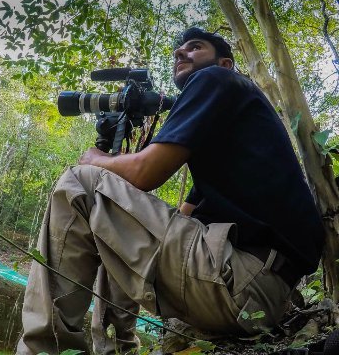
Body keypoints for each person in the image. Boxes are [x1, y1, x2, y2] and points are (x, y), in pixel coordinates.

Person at [17, 27, 325, 355]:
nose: (181, 53)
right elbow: (173, 219)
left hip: (242, 283)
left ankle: (43, 350)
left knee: (79, 182)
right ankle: (119, 349)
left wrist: (97, 159)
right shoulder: (231, 155)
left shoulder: (216, 80)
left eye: (195, 48)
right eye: (179, 50)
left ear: (225, 64)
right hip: (263, 298)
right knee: (115, 218)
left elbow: (144, 172)